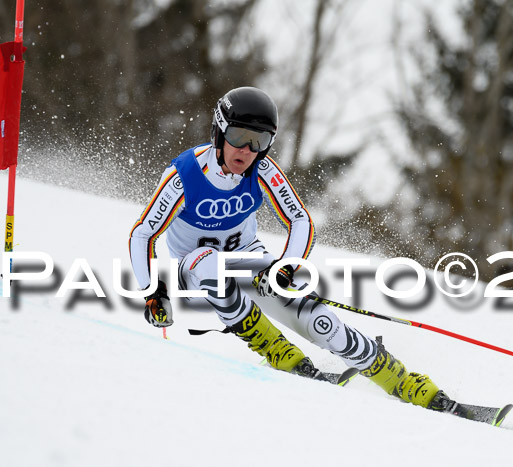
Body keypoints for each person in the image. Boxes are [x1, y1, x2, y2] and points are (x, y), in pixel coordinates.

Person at [129, 86, 453, 411]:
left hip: (246, 263)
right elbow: (143, 234)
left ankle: (406, 383)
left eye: (259, 141)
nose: (246, 149)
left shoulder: (262, 170)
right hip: (196, 279)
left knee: (318, 320)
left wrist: (285, 267)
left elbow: (301, 220)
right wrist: (153, 291)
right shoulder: (183, 176)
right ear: (219, 131)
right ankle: (278, 351)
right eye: (239, 136)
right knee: (210, 263)